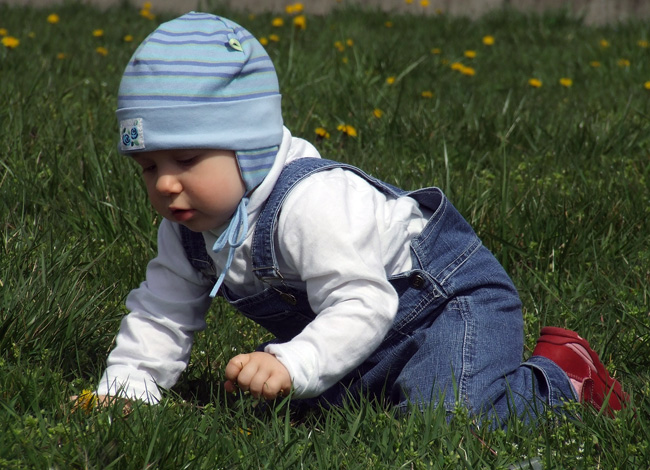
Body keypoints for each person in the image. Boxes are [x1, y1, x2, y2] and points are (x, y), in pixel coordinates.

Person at [91, 12, 628, 424]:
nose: (164, 183)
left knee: (447, 419)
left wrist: (293, 363)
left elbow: (365, 301)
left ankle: (563, 376)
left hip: (443, 305)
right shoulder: (186, 230)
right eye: (147, 167)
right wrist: (125, 391)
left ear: (249, 148)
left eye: (186, 160)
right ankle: (376, 382)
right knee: (283, 409)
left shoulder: (311, 204)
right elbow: (162, 312)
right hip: (356, 330)